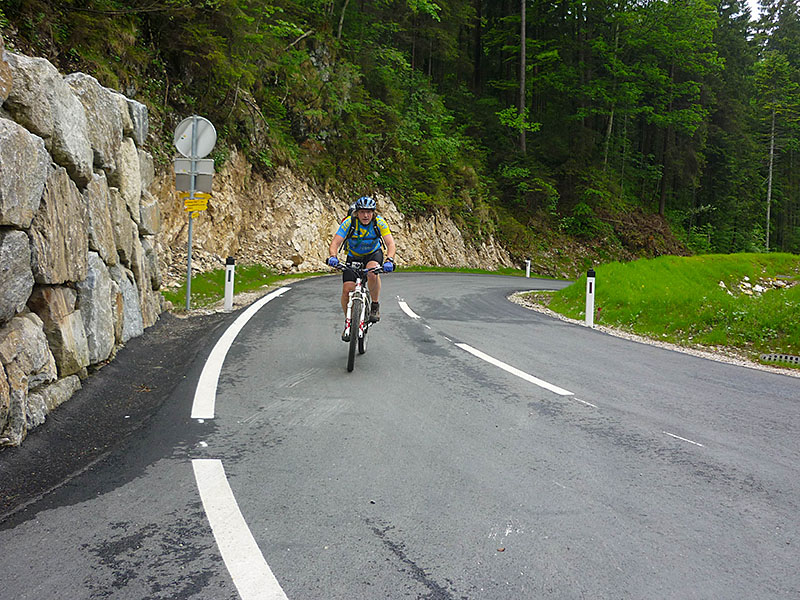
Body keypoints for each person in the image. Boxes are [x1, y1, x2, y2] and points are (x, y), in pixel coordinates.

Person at [326, 196, 396, 340]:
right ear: (357, 213)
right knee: (347, 290)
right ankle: (350, 320)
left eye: (369, 212)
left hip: (373, 254)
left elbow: (390, 244)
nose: (365, 215)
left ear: (373, 213)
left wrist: (389, 260)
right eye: (362, 212)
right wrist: (333, 257)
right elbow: (335, 243)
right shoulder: (349, 223)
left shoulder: (379, 223)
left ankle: (375, 305)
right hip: (354, 256)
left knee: (372, 273)